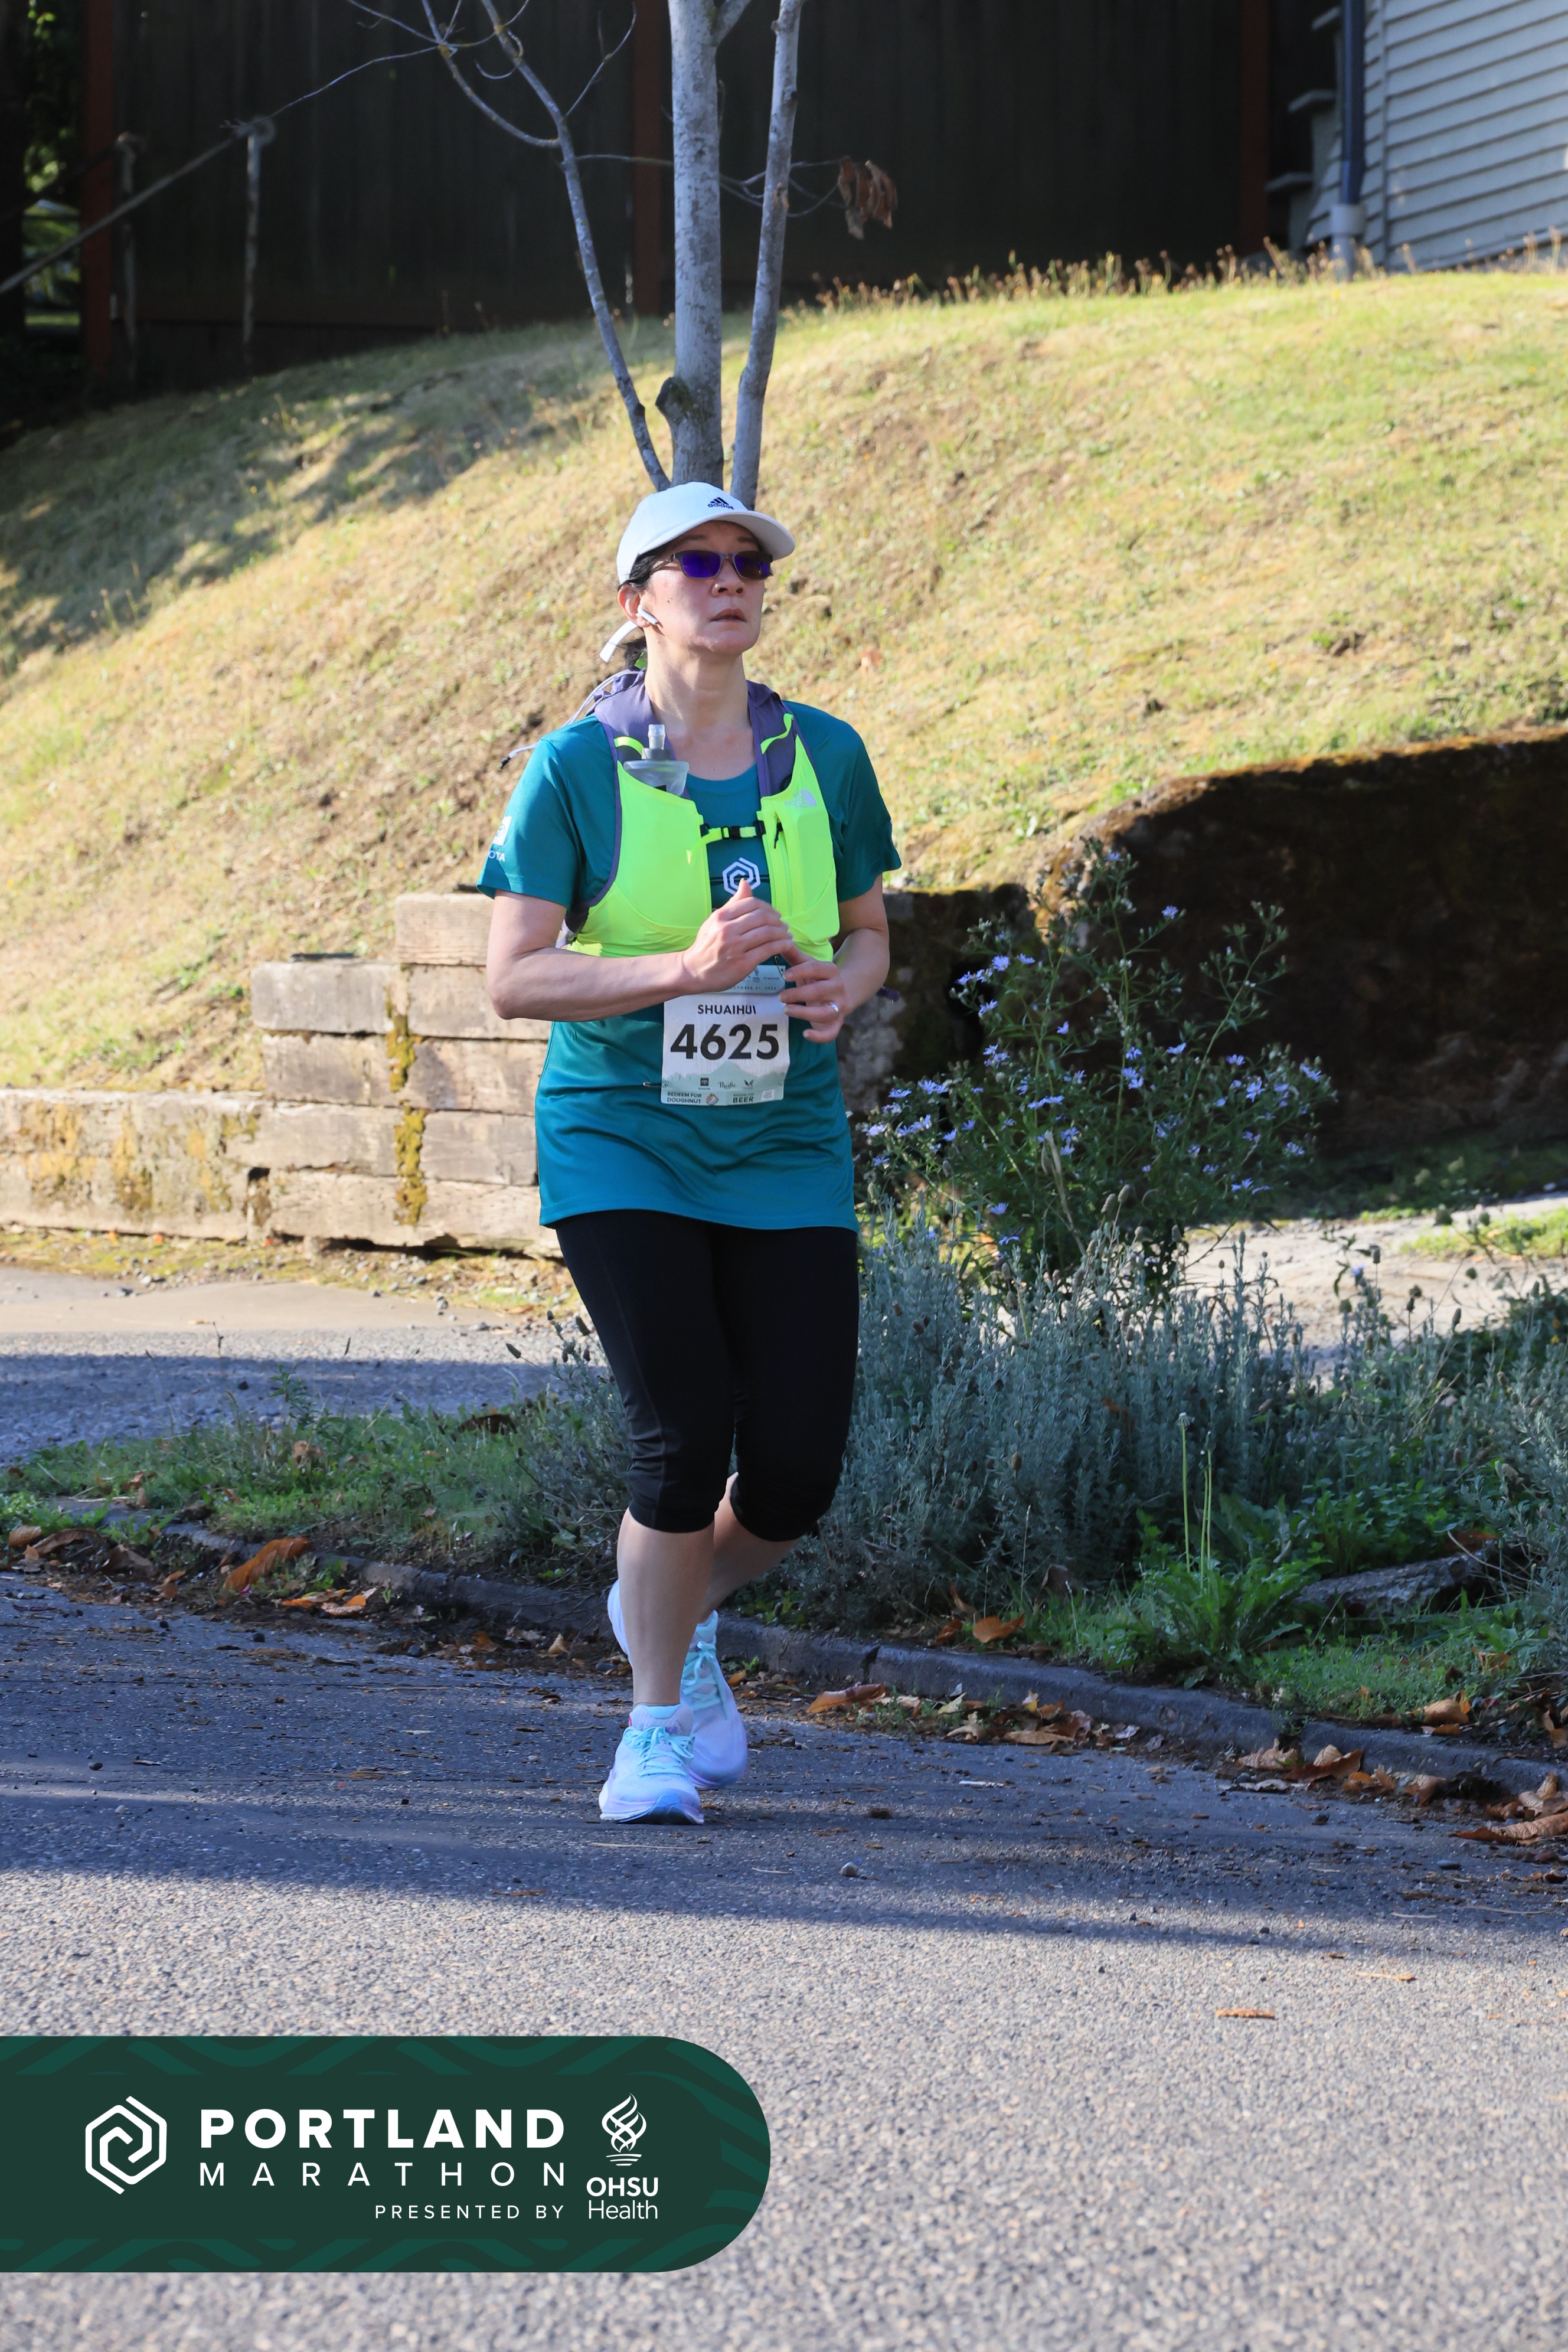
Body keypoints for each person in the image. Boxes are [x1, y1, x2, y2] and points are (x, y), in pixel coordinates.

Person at [479, 478, 898, 1823]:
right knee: (681, 1432)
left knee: (797, 1469)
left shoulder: (826, 754)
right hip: (622, 1137)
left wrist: (842, 988)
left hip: (784, 1140)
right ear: (637, 601)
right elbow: (515, 978)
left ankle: (663, 1602)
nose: (728, 583)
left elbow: (868, 933)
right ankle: (651, 1731)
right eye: (695, 564)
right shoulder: (571, 769)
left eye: (746, 564)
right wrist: (682, 969)